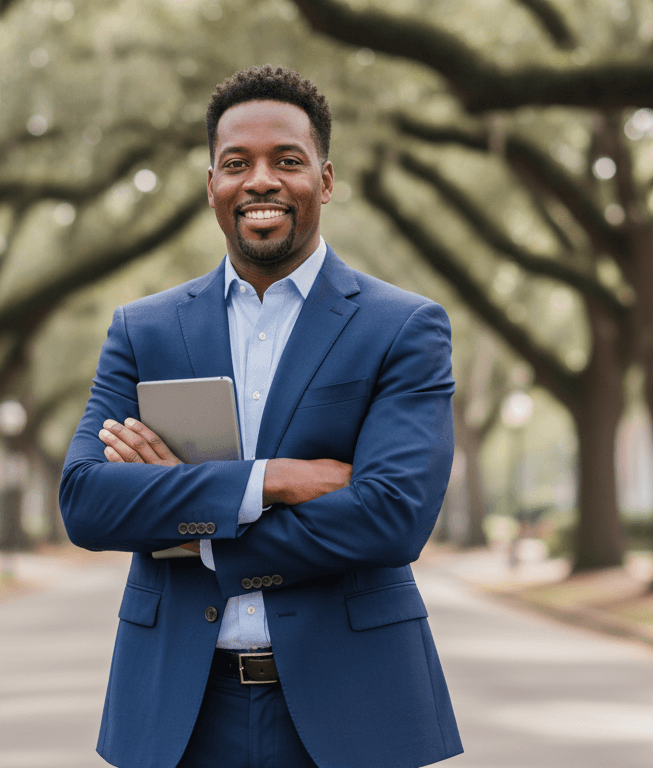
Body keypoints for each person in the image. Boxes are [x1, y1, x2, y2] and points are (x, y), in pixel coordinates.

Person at [60, 64, 462, 768]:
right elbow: (87, 502)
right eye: (236, 163)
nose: (261, 181)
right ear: (211, 185)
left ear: (326, 181)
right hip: (178, 715)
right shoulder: (143, 332)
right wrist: (270, 480)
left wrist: (193, 532)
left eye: (288, 161)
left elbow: (394, 514)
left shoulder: (403, 328)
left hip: (355, 708)